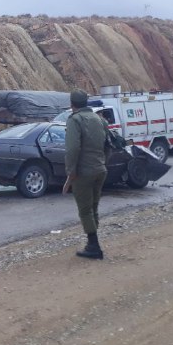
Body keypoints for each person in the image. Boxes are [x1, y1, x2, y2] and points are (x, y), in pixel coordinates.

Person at [63, 88, 108, 259]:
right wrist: (103, 162)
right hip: (100, 169)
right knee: (93, 207)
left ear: (72, 104)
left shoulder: (75, 120)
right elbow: (109, 143)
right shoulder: (99, 119)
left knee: (85, 210)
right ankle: (93, 242)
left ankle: (94, 246)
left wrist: (71, 171)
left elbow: (72, 148)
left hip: (84, 172)